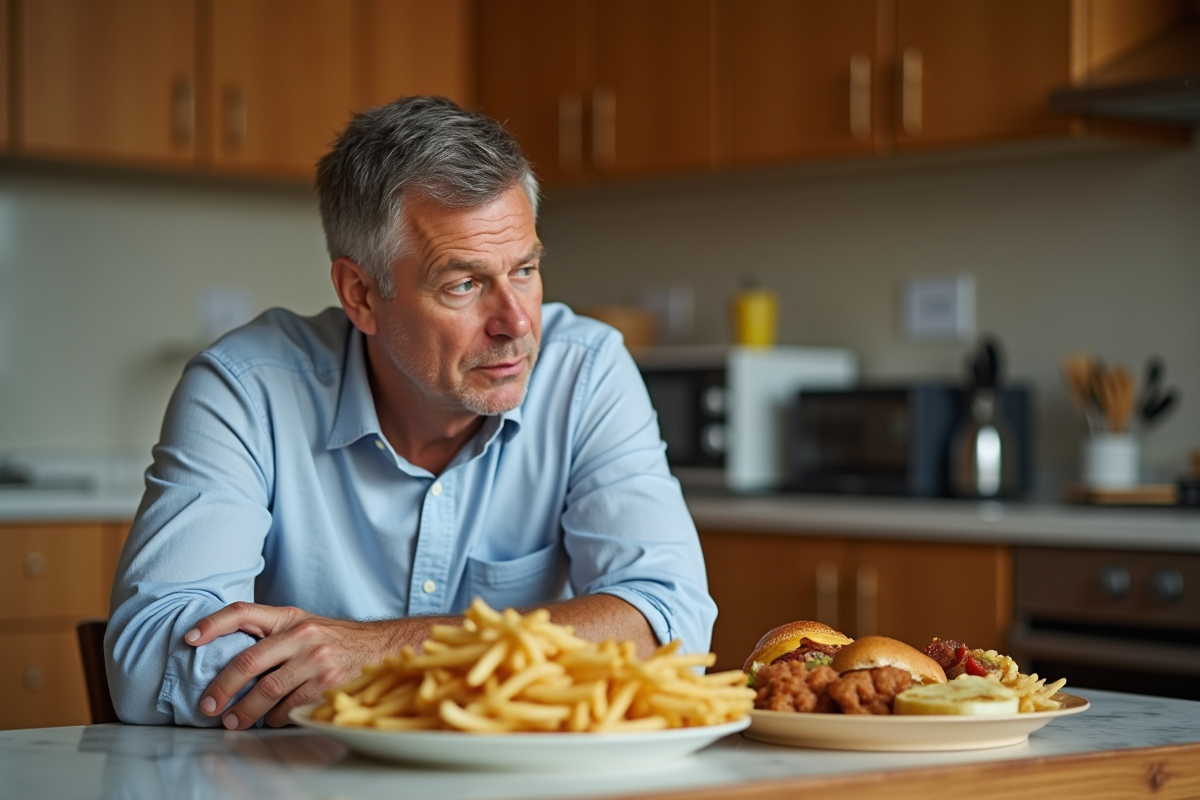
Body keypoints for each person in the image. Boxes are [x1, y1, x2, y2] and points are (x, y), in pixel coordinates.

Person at [105, 96, 716, 728]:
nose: (516, 323)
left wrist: (386, 653)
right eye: (464, 284)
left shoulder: (584, 373)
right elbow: (153, 658)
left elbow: (668, 622)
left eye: (525, 270)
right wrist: (521, 655)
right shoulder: (246, 390)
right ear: (361, 295)